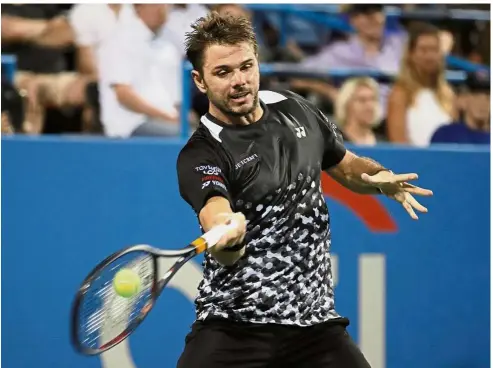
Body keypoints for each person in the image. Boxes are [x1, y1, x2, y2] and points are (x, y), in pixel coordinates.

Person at [176, 12, 433, 368]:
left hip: (315, 328)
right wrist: (229, 233)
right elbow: (216, 218)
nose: (239, 81)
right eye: (223, 72)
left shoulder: (295, 109)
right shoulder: (201, 153)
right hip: (235, 329)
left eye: (246, 66)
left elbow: (345, 165)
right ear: (199, 81)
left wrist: (377, 177)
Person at [98, 4, 181, 138]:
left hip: (169, 121)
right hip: (131, 125)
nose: (161, 7)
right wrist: (166, 117)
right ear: (138, 7)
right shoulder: (119, 39)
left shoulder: (169, 43)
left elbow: (175, 98)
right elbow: (124, 94)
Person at [386, 22, 456, 147]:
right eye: (423, 50)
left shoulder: (448, 95)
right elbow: (399, 145)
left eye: (434, 50)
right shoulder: (400, 94)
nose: (430, 56)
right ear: (411, 54)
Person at [431, 71, 490, 145]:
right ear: (463, 100)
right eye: (476, 96)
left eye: (488, 97)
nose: (482, 103)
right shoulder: (445, 135)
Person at [334, 77, 385, 145]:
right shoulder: (335, 143)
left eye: (373, 99)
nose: (370, 106)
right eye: (362, 100)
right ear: (347, 105)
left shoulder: (384, 143)